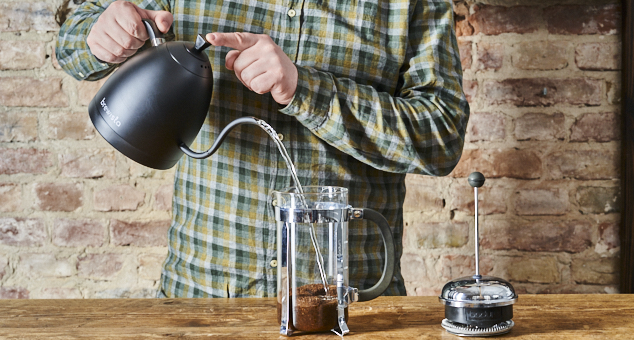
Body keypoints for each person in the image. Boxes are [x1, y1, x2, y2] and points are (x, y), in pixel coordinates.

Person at [56, 0, 469, 298]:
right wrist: (99, 35)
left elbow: (443, 136)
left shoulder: (411, 6)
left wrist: (305, 90)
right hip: (203, 301)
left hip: (350, 305)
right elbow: (72, 42)